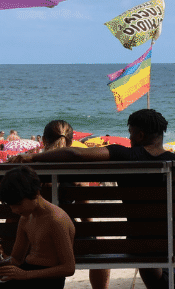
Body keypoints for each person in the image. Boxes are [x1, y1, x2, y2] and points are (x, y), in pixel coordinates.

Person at [12, 109, 175, 289]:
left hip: (137, 241)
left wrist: (33, 157)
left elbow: (76, 154)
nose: (128, 138)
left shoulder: (123, 155)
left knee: (149, 264)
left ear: (139, 135)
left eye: (130, 133)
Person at [40, 121, 110, 289]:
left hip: (34, 238)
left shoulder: (28, 168)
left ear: (43, 140)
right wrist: (93, 237)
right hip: (72, 239)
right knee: (100, 250)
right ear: (71, 143)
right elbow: (85, 216)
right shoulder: (76, 171)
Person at [0, 166, 76, 288]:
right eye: (11, 206)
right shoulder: (26, 217)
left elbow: (69, 268)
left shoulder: (56, 220)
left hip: (49, 280)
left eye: (18, 204)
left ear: (36, 193)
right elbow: (16, 259)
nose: (14, 210)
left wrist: (26, 275)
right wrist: (3, 262)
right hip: (27, 271)